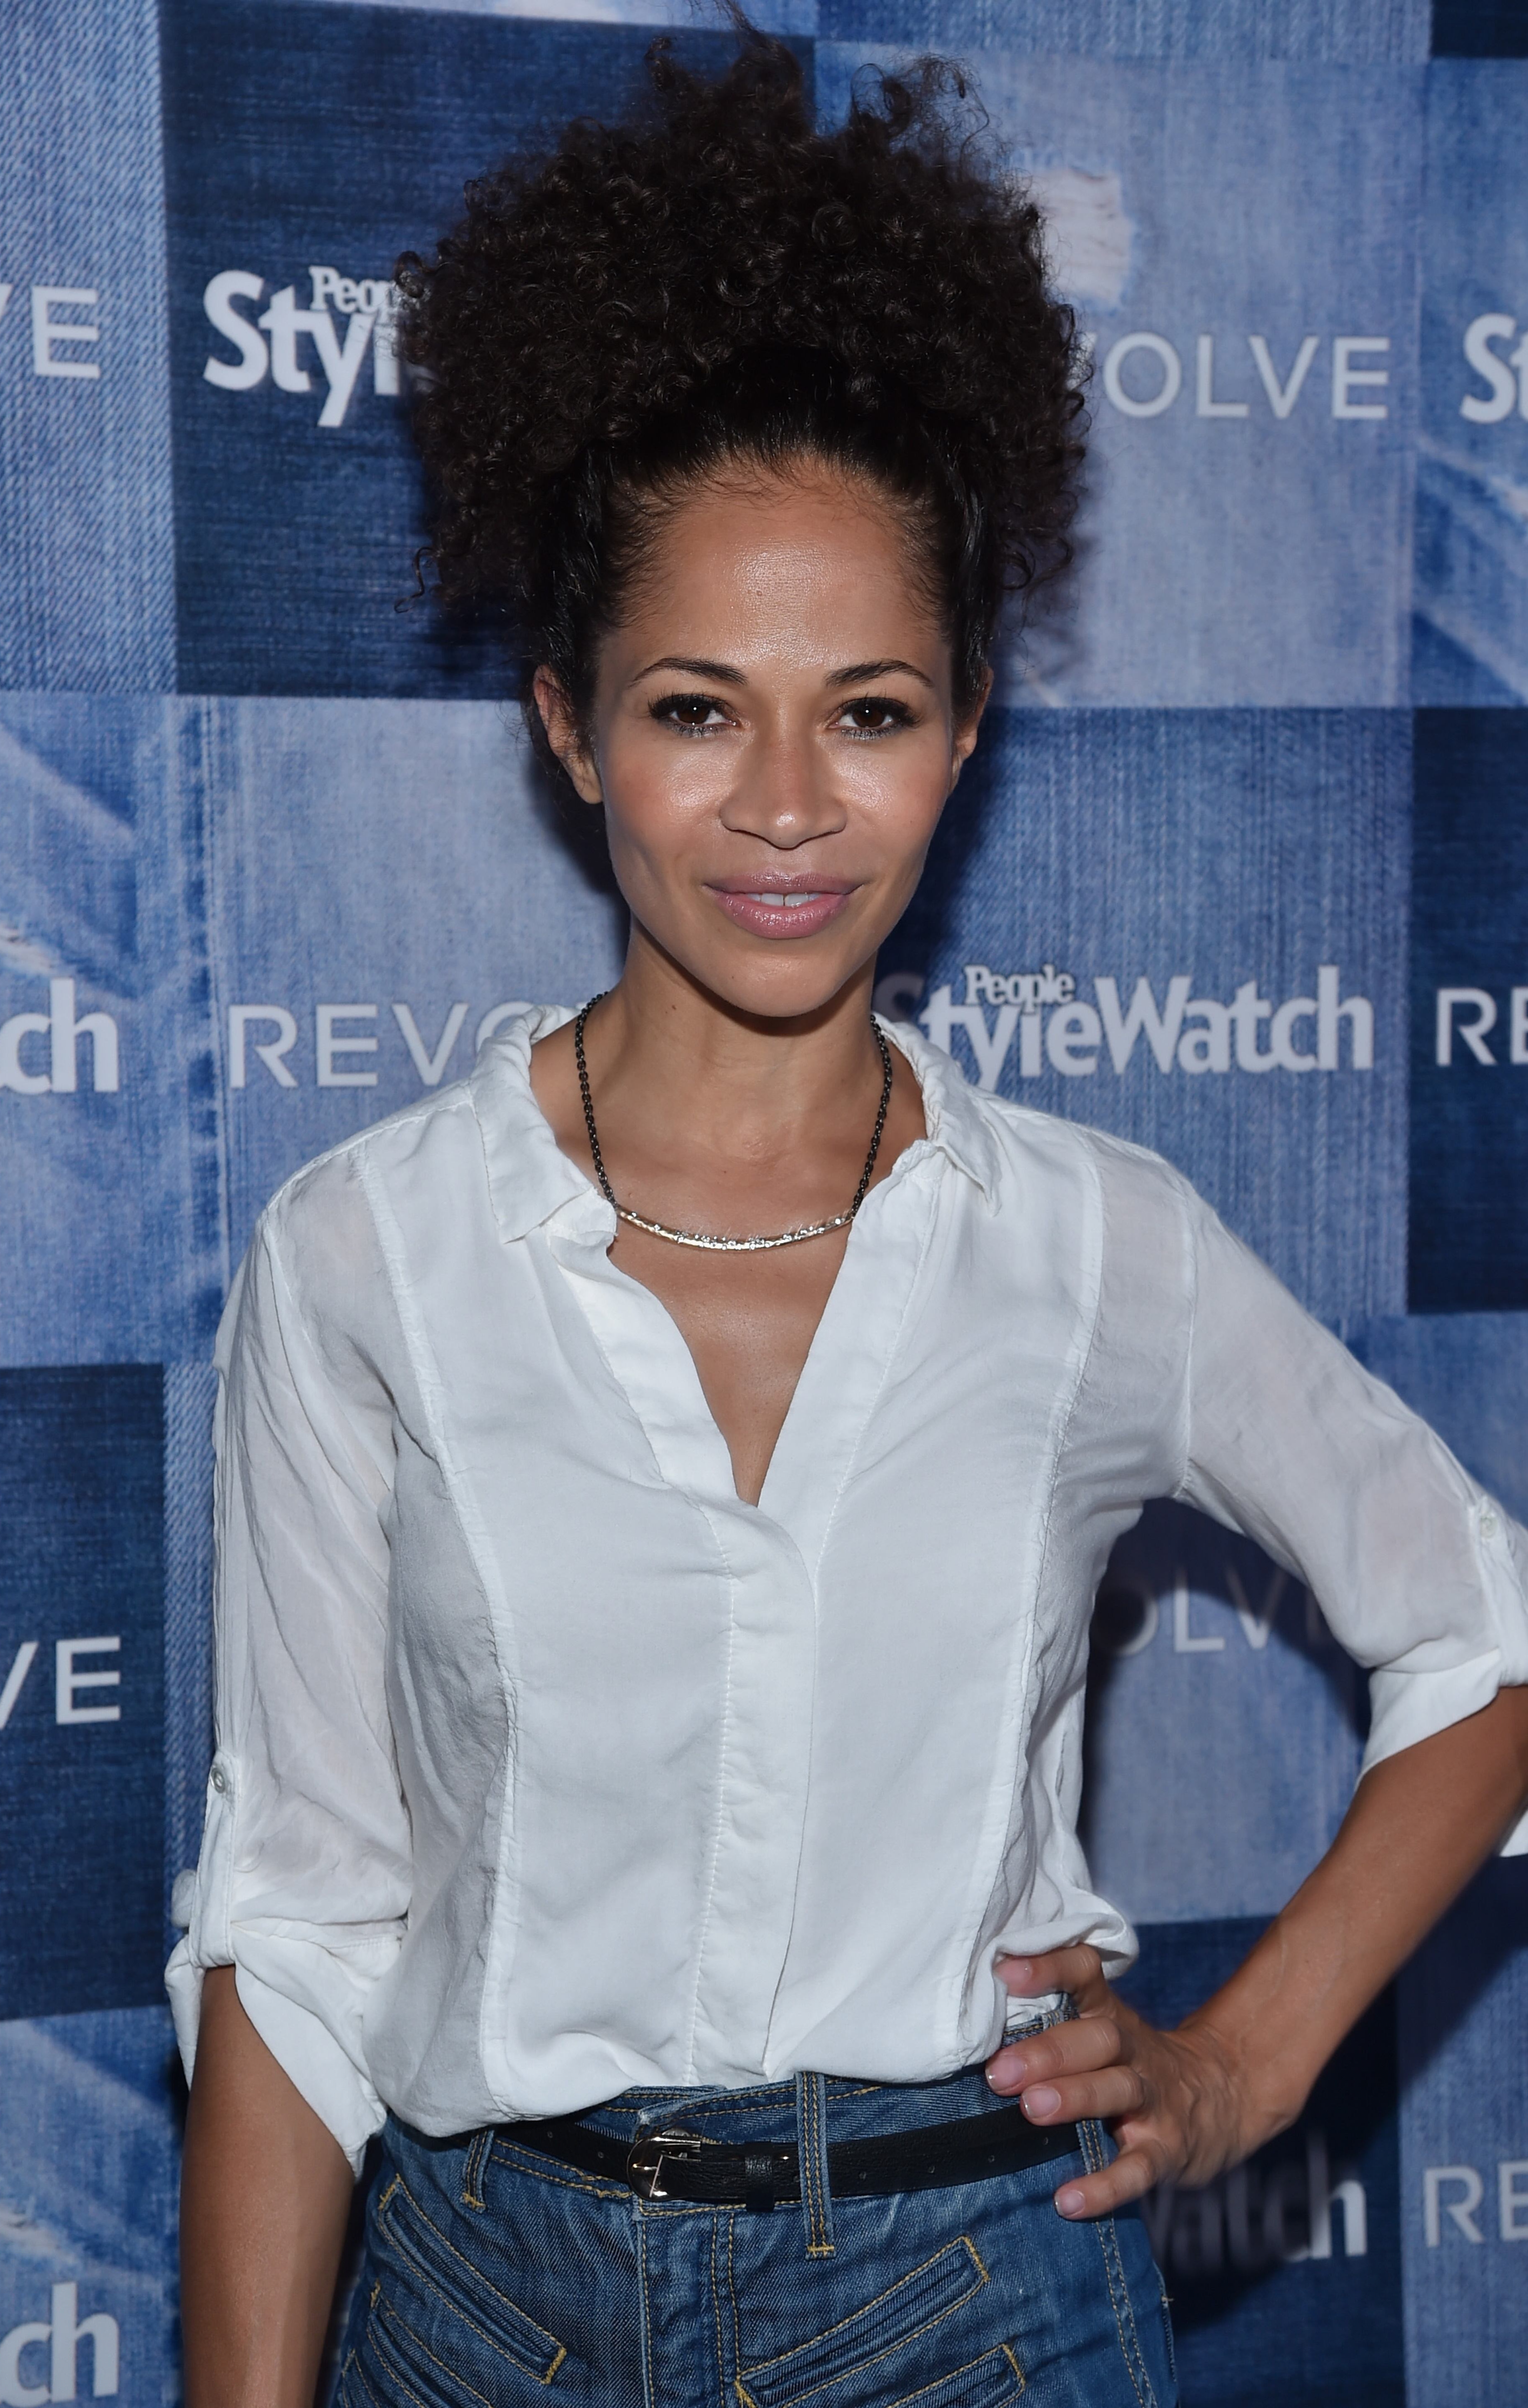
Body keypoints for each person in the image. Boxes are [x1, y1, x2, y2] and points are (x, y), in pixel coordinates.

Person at [170, 31, 1528, 2408]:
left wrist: (1243, 2062)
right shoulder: (363, 1252)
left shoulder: (1097, 1244)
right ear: (569, 724)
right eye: (699, 708)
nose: (787, 807)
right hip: (480, 2307)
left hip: (965, 2302)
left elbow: (1483, 1637)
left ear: (971, 723)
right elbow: (299, 1917)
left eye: (870, 708)